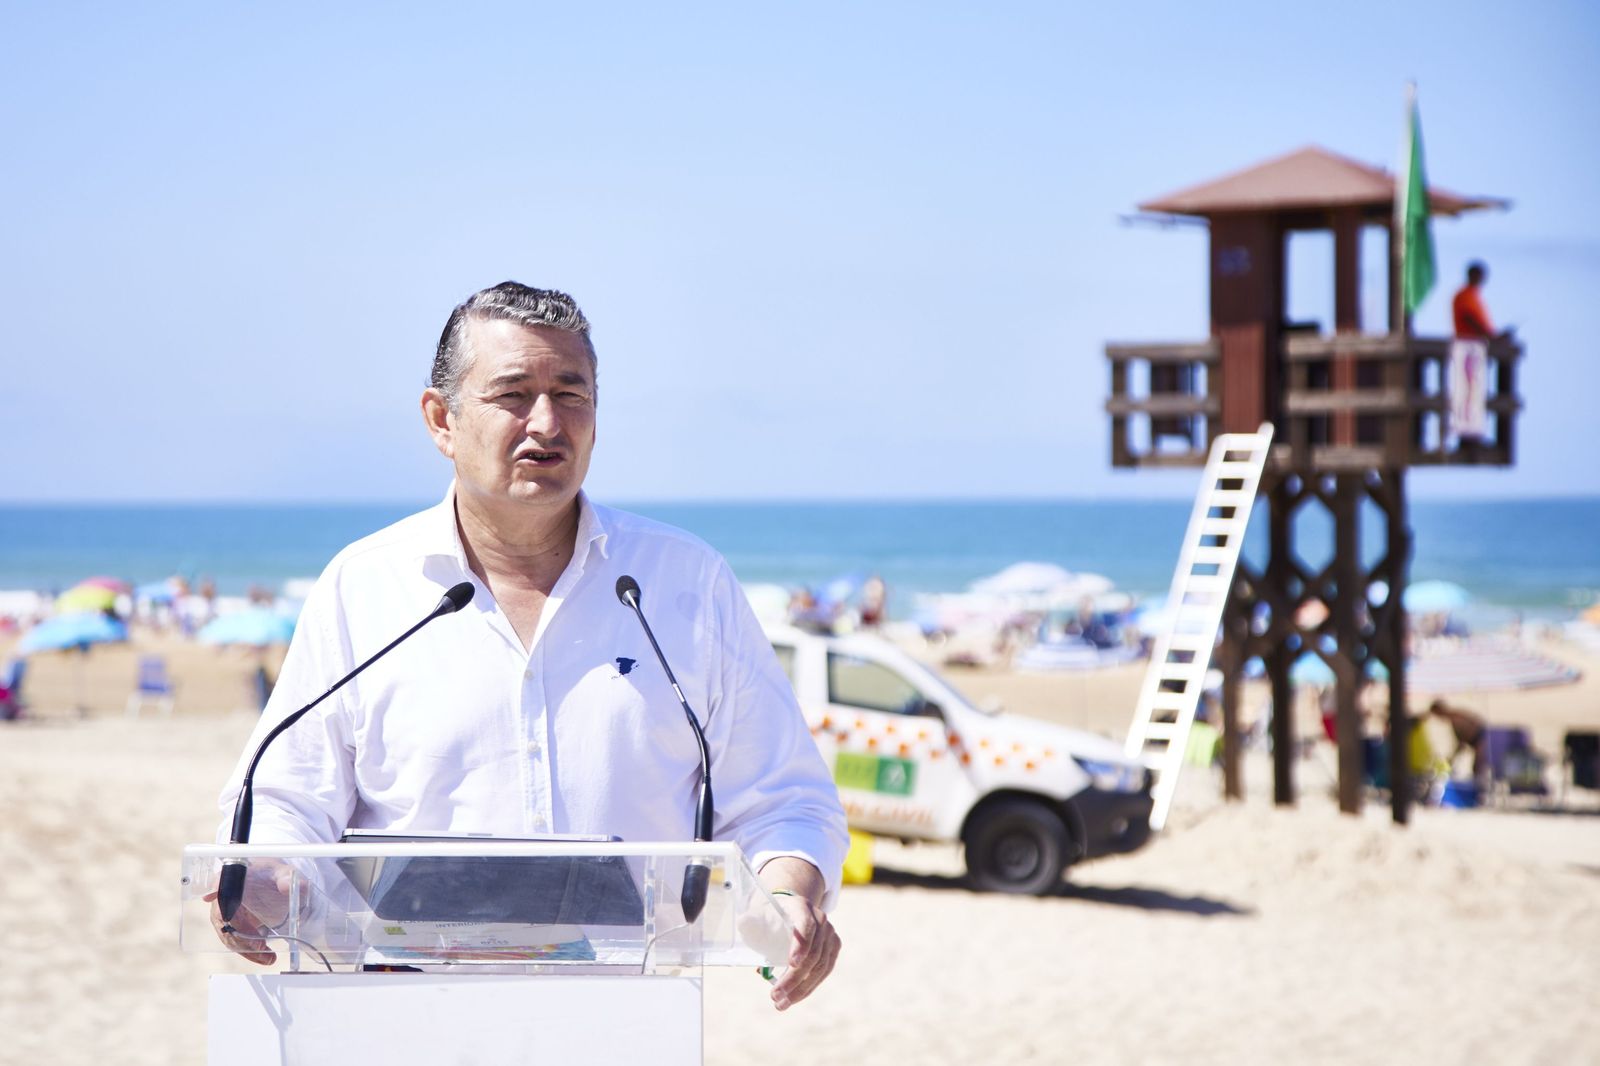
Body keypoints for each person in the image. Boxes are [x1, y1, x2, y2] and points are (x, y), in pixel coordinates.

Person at [213, 282, 847, 1010]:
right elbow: (286, 793)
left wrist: (788, 893)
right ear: (441, 420)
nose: (547, 422)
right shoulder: (366, 587)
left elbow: (784, 800)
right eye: (514, 394)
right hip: (400, 1016)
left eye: (571, 394)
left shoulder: (682, 582)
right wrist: (262, 875)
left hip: (628, 1019)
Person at [1447, 262, 1509, 448]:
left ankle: (1471, 435)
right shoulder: (1464, 295)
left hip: (1475, 350)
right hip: (1467, 349)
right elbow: (1469, 318)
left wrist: (1492, 336)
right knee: (1467, 392)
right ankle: (1466, 436)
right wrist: (1490, 336)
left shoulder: (1473, 296)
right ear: (1473, 275)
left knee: (1473, 393)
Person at [1426, 698, 1487, 780]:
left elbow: (1463, 741)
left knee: (1477, 767)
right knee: (1476, 768)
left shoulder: (1456, 718)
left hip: (1480, 739)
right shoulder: (1453, 718)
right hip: (1477, 741)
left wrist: (1452, 759)